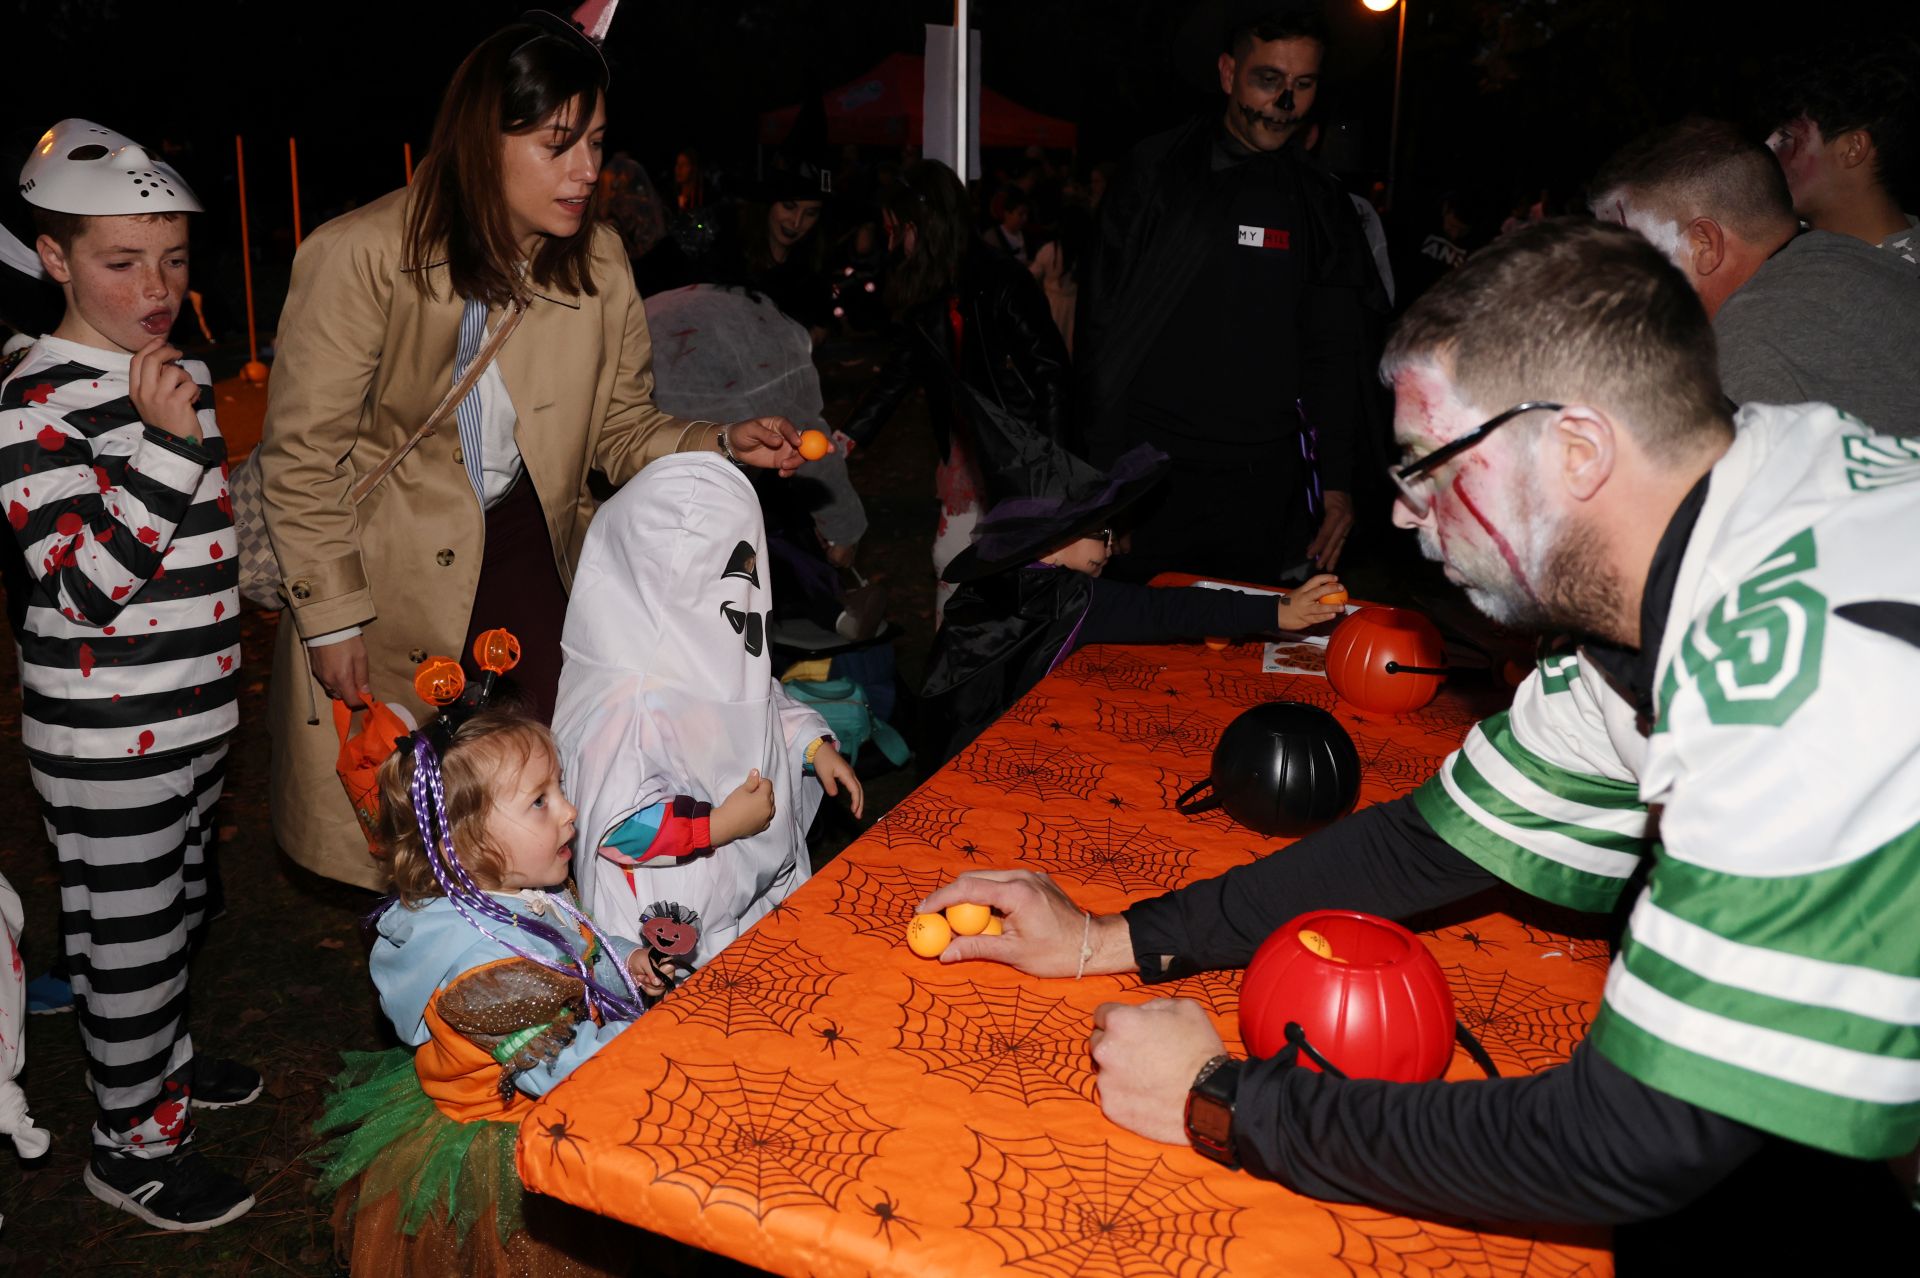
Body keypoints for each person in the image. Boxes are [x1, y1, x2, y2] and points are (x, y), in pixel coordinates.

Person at [919, 220, 1920, 1265]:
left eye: (1428, 467)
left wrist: (1222, 1103)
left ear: (1578, 452)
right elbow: (1423, 847)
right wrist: (1101, 939)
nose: (1404, 519)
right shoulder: (1749, 501)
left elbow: (1639, 1136)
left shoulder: (1795, 678)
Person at [257, 14, 802, 892]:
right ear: (485, 139)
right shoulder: (360, 256)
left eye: (594, 141)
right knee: (428, 816)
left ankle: (567, 989)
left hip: (532, 564)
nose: (588, 170)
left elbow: (622, 429)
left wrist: (719, 442)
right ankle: (453, 1002)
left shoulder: (599, 264)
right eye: (558, 144)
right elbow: (300, 458)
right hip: (389, 583)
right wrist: (332, 614)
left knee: (549, 804)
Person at [0, 120, 258, 1230]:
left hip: (193, 718)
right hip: (106, 737)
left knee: (165, 918)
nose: (155, 288)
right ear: (55, 259)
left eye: (174, 259)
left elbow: (203, 534)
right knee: (136, 937)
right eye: (120, 262)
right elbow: (80, 589)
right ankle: (129, 1144)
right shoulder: (35, 401)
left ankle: (160, 1061)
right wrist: (161, 443)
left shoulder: (178, 369)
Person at [313, 709, 654, 1275]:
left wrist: (627, 960)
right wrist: (658, 1041)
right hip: (512, 1136)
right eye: (539, 801)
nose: (569, 809)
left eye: (559, 786)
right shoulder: (485, 971)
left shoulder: (512, 894)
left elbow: (579, 950)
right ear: (461, 845)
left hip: (555, 1091)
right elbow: (570, 1068)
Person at [1075, 1, 1381, 586]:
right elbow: (1102, 332)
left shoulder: (1320, 204)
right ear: (1226, 74)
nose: (1285, 103)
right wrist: (1105, 483)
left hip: (1262, 490)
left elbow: (1334, 352)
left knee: (1238, 662)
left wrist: (1336, 482)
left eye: (1304, 84)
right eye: (1268, 80)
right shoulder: (1158, 174)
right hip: (1150, 481)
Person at [553, 452, 862, 967]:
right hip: (663, 922)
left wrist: (812, 746)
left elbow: (755, 699)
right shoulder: (621, 704)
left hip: (738, 890)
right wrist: (717, 826)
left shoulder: (710, 643)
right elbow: (617, 825)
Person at [922, 443, 1343, 764]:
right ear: (1050, 546)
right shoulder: (1068, 597)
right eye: (1101, 534)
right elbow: (1167, 611)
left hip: (942, 732)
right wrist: (1276, 611)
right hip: (979, 746)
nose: (1111, 546)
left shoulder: (1000, 577)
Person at [839, 159, 1078, 606]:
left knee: (1013, 573)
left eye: (898, 230)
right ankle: (957, 665)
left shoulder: (1003, 279)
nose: (893, 244)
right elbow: (903, 367)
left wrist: (1051, 468)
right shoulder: (929, 286)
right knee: (952, 556)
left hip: (1019, 454)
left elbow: (1051, 375)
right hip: (967, 454)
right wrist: (848, 436)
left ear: (925, 224)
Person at [1590, 117, 1920, 434]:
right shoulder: (1863, 262)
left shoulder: (1746, 338)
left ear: (1704, 246)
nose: (1616, 286)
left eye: (1628, 257)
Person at [1765, 37, 1920, 267]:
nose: (1768, 147)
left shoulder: (1906, 279)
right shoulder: (1769, 254)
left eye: (1787, 137)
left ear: (1852, 149)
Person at [982, 186, 1031, 263]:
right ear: (1007, 214)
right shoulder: (992, 237)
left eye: (1026, 214)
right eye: (1020, 214)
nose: (1025, 218)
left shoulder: (1028, 235)